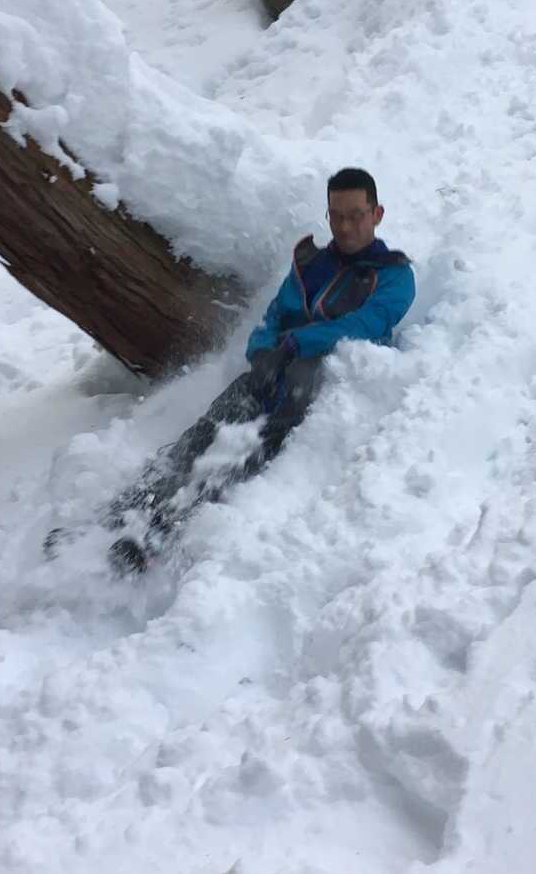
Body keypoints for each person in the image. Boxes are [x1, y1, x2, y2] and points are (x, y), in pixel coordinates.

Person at [104, 167, 415, 573]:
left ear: (377, 214)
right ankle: (123, 512)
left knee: (245, 452)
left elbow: (365, 325)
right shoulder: (311, 264)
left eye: (355, 215)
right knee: (205, 432)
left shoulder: (394, 275)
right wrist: (262, 351)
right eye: (336, 215)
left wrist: (297, 343)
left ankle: (161, 532)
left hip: (314, 390)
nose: (344, 226)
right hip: (272, 372)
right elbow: (273, 316)